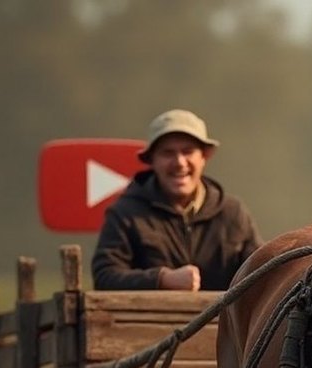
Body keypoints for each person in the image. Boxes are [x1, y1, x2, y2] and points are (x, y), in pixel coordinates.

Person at [92, 109, 263, 291]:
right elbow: (105, 276)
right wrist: (162, 279)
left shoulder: (232, 212)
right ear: (152, 160)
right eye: (168, 153)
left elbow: (262, 270)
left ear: (204, 157)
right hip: (146, 319)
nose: (180, 162)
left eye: (188, 152)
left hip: (222, 320)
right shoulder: (126, 213)